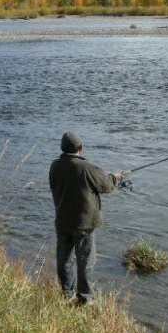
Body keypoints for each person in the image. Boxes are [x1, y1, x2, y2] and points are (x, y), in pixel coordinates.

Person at [49, 131, 123, 306]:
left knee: (64, 259)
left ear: (62, 147)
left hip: (62, 221)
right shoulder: (87, 167)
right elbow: (106, 186)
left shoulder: (55, 166)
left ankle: (66, 294)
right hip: (84, 224)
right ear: (80, 148)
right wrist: (115, 177)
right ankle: (84, 298)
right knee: (85, 261)